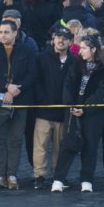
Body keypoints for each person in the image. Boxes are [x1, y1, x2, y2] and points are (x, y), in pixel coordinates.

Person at [51, 34, 104, 193]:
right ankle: (58, 179)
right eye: (80, 48)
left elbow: (103, 93)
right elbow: (67, 85)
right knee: (68, 144)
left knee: (90, 146)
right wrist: (71, 105)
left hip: (93, 114)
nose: (81, 52)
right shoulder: (75, 65)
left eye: (84, 48)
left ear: (93, 49)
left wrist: (86, 108)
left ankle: (86, 179)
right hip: (73, 110)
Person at [0, 20, 36, 190]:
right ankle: (0, 174)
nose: (3, 35)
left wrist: (16, 90)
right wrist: (6, 88)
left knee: (15, 138)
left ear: (15, 33)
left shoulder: (27, 50)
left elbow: (32, 74)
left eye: (6, 32)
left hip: (20, 99)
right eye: (1, 32)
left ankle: (12, 174)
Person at [33, 27, 77, 189]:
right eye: (58, 37)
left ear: (70, 41)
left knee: (61, 147)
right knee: (40, 146)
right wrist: (42, 100)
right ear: (53, 39)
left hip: (64, 112)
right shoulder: (42, 57)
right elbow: (36, 81)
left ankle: (59, 176)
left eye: (65, 38)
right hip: (44, 111)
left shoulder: (75, 61)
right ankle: (39, 176)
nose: (61, 40)